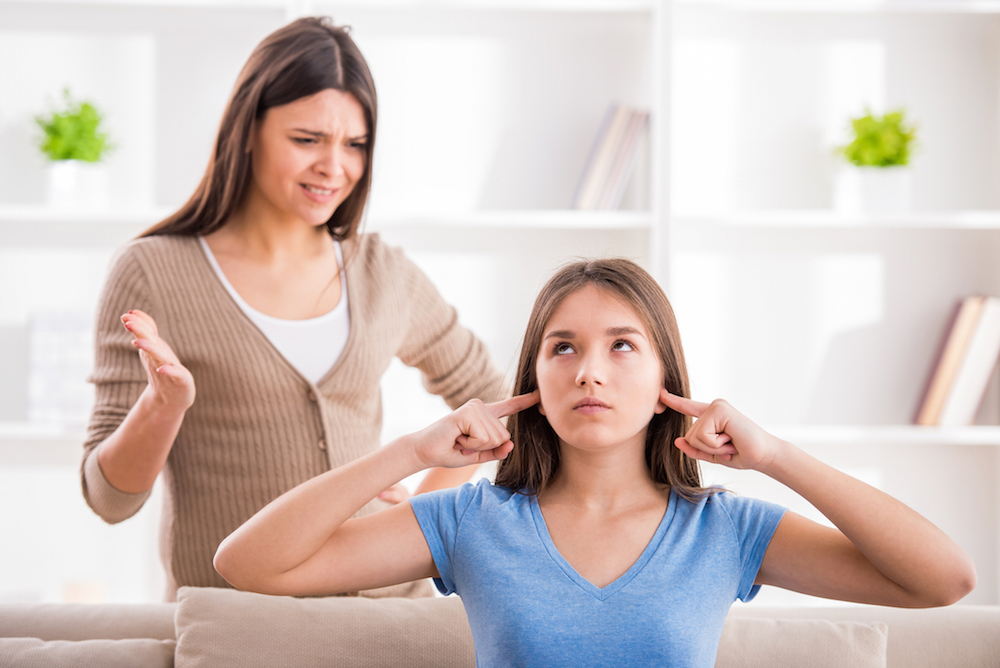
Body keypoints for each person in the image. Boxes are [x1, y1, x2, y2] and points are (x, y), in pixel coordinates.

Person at [214, 258, 977, 667]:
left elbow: (945, 580)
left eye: (622, 345)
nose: (590, 371)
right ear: (535, 383)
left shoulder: (725, 531)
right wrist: (410, 452)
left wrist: (775, 457)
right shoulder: (471, 520)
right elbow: (250, 565)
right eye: (563, 348)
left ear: (662, 381)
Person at [81, 16, 507, 600]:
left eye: (354, 144)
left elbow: (489, 395)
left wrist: (422, 514)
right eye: (307, 140)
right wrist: (163, 405)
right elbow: (109, 499)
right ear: (248, 129)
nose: (334, 168)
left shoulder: (382, 272)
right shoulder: (153, 272)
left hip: (383, 622)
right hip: (234, 627)